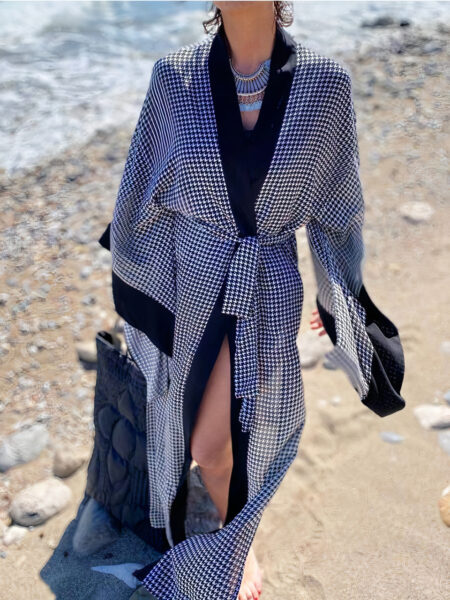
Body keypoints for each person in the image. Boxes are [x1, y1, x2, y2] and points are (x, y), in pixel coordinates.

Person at [98, 1, 405, 599]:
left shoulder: (324, 83)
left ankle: (239, 544)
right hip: (194, 277)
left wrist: (340, 300)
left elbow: (337, 214)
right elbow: (139, 194)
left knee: (223, 439)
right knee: (203, 435)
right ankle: (237, 530)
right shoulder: (174, 76)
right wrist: (148, 288)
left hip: (267, 282)